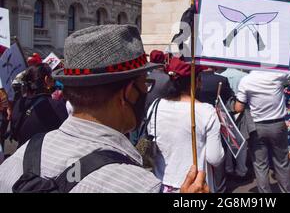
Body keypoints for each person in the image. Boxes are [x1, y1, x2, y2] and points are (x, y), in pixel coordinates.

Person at [0, 25, 209, 193]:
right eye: (144, 84)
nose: (146, 92)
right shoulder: (140, 186)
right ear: (126, 94)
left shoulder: (19, 158)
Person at [147, 57, 224, 193]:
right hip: (196, 186)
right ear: (197, 81)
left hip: (161, 182)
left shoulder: (156, 105)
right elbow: (215, 157)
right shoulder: (206, 111)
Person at [234, 70, 290, 193]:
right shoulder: (277, 75)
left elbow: (238, 108)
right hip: (278, 125)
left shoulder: (246, 80)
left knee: (260, 166)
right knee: (282, 163)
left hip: (256, 127)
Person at [10, 63, 68, 147]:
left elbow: (14, 133)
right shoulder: (57, 106)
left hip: (22, 154)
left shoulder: (19, 104)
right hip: (47, 155)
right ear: (47, 80)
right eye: (53, 78)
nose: (54, 81)